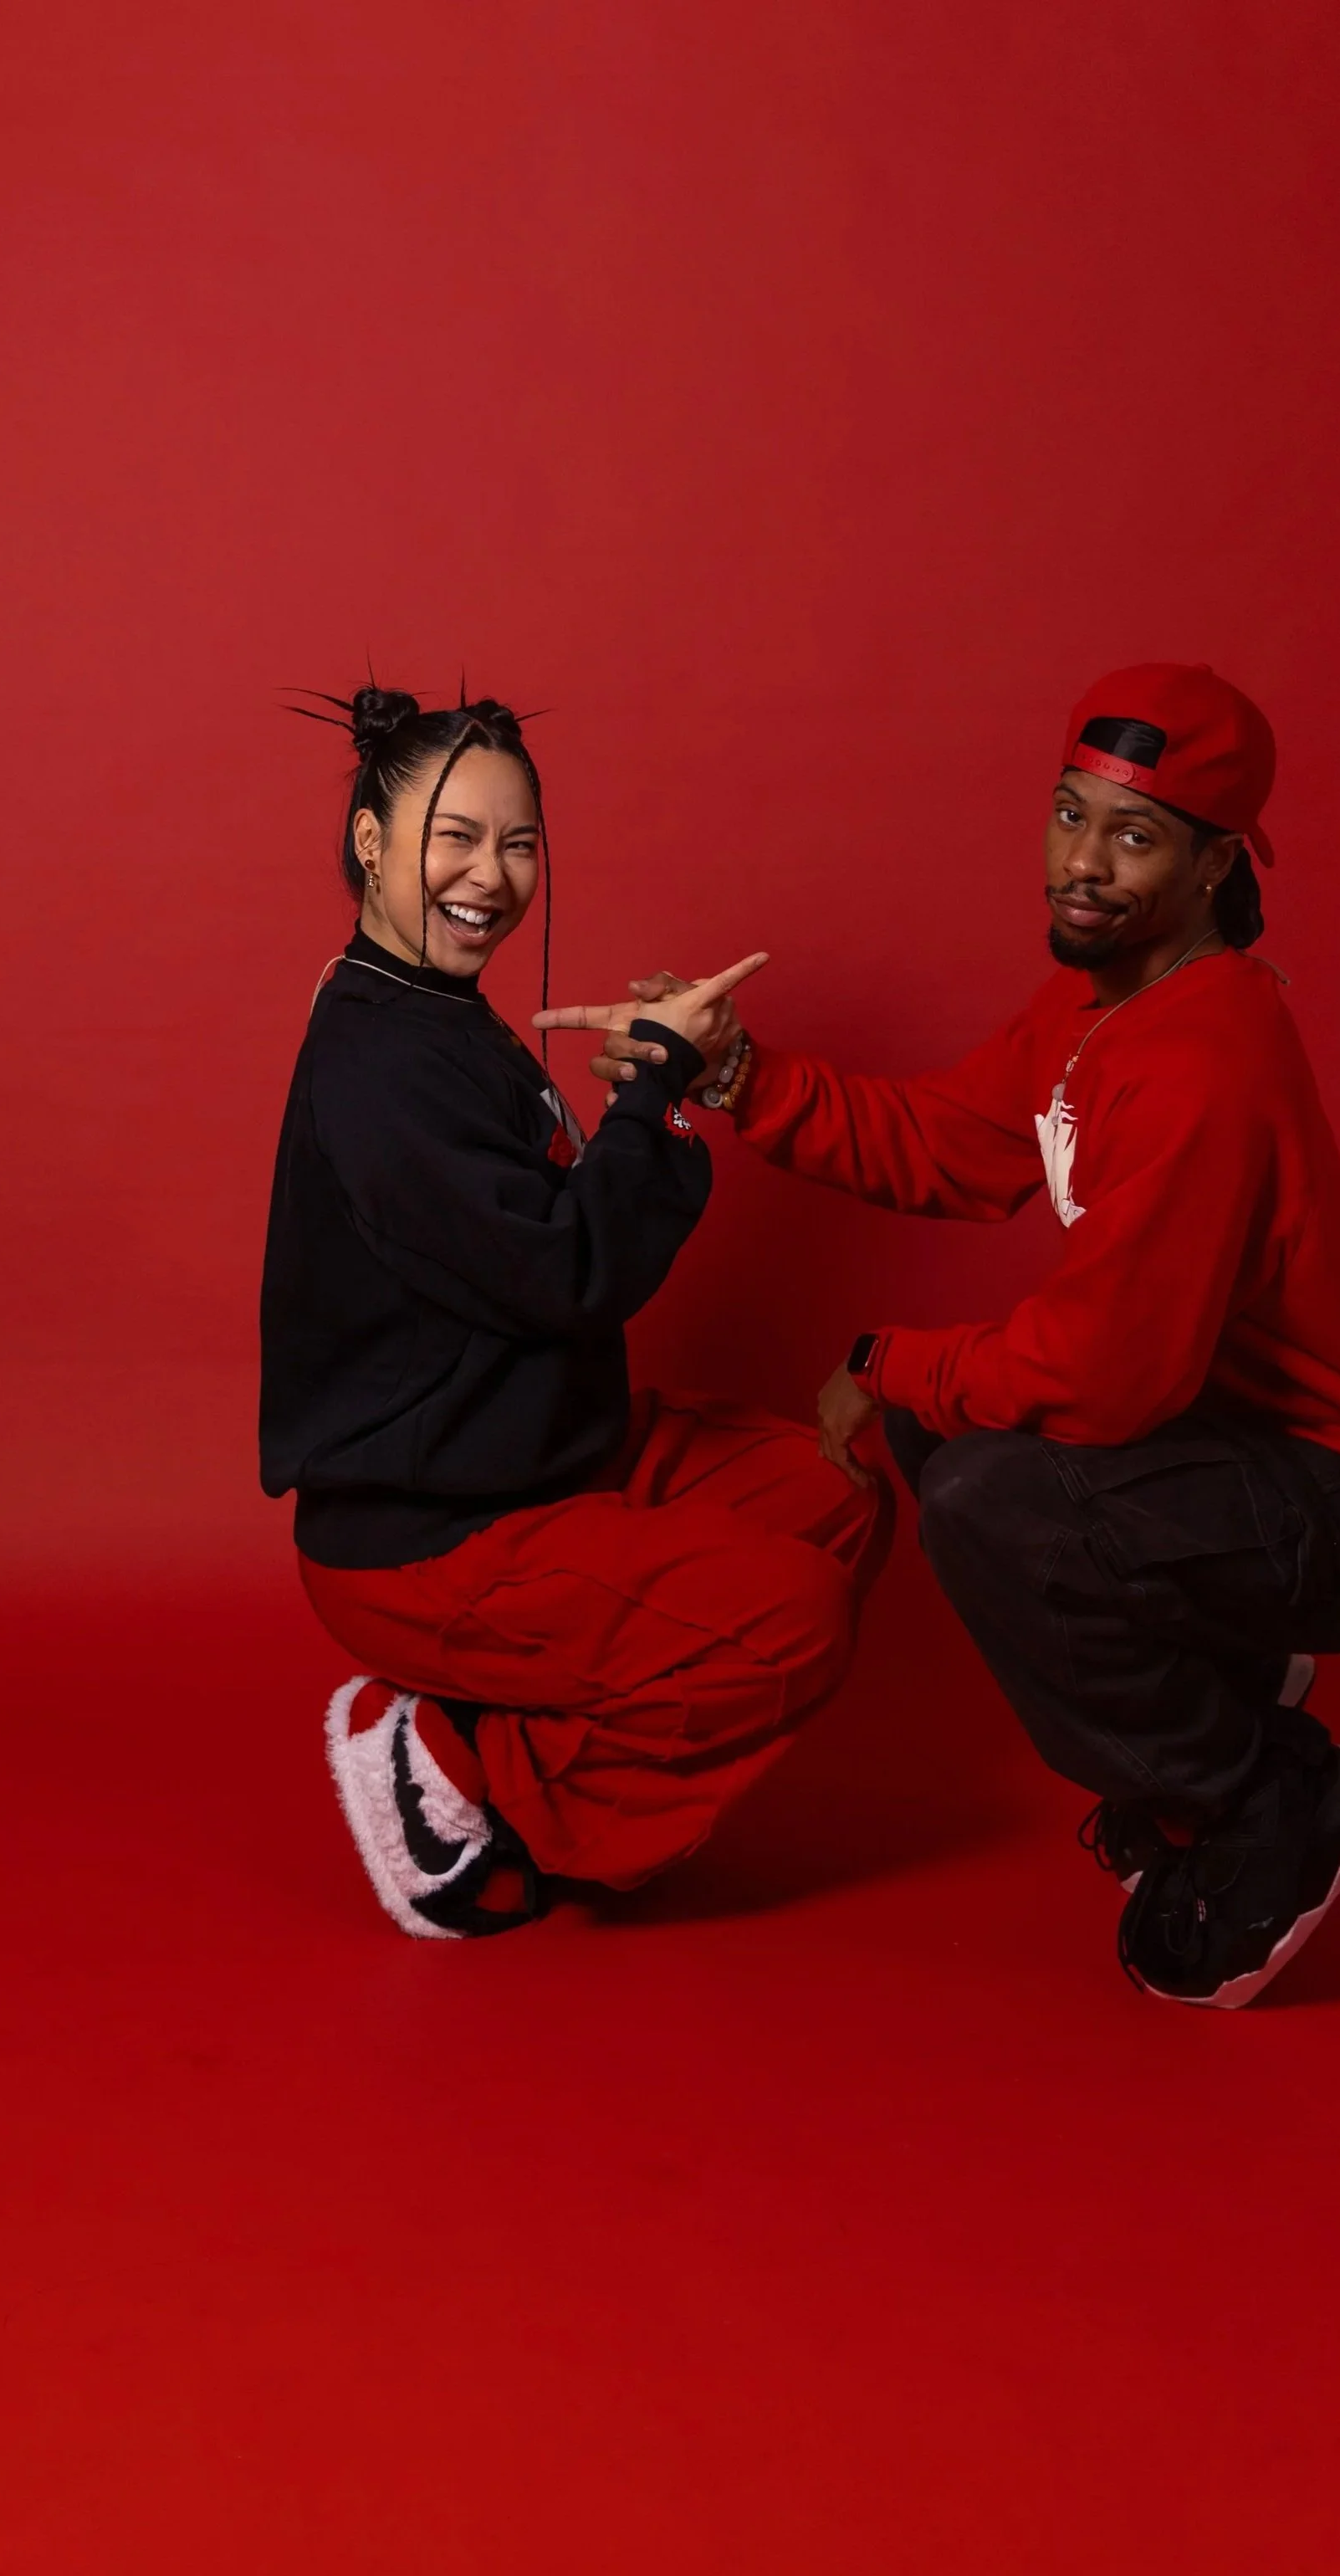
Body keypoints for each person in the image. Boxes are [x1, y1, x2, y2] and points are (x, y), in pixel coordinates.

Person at [539, 663, 1340, 2006]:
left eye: (1134, 835)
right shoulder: (1103, 1002)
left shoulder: (1205, 1063)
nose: (1082, 864)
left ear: (1217, 864)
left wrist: (885, 1363)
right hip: (1241, 1453)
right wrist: (739, 1075)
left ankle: (1259, 1793)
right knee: (958, 1427)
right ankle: (1217, 1675)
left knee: (991, 1496)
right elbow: (955, 1143)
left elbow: (1109, 1374)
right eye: (1067, 815)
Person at [260, 686, 889, 1939]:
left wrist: (654, 1087)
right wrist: (654, 1094)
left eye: (520, 842)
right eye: (454, 836)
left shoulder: (437, 1011)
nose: (490, 876)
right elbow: (565, 1274)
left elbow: (537, 1247)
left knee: (831, 1498)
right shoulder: (378, 1059)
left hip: (548, 1459)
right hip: (434, 1533)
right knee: (790, 1618)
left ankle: (511, 1738)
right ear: (372, 841)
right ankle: (456, 1765)